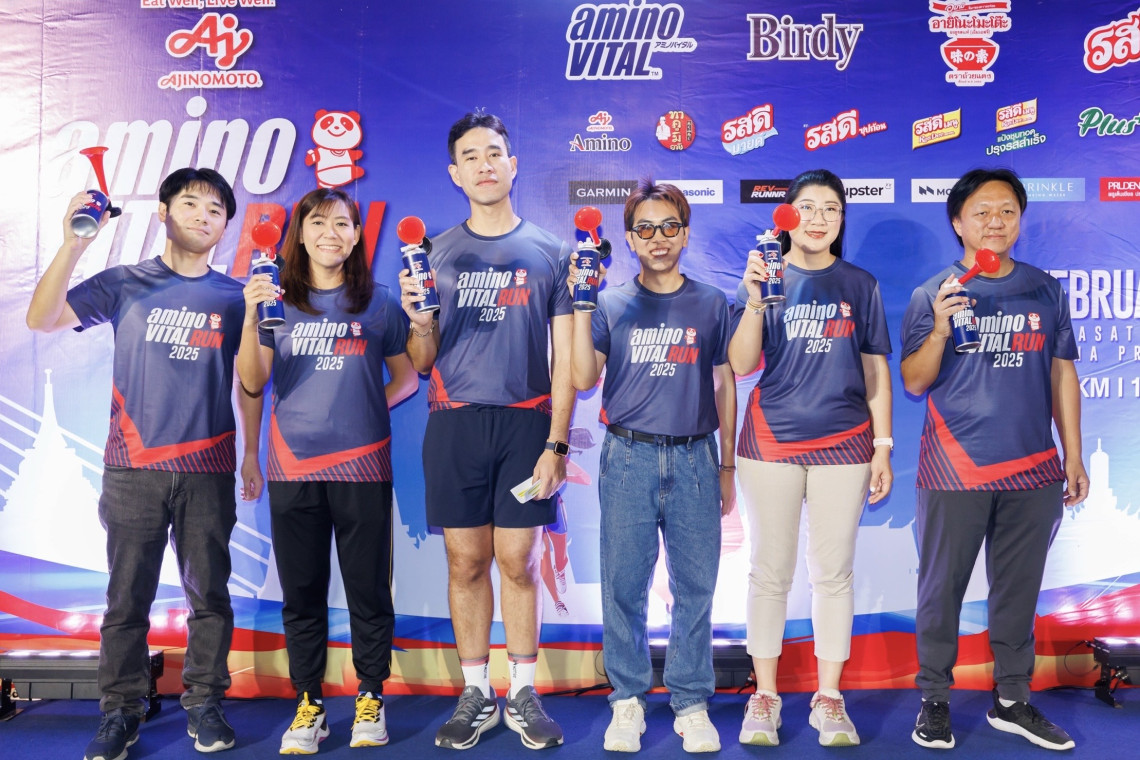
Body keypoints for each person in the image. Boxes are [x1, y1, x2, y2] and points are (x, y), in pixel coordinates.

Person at [26, 168, 264, 760]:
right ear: (163, 212)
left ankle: (205, 703)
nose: (204, 216)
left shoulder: (235, 297)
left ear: (225, 227)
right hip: (132, 467)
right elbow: (42, 318)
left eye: (216, 210)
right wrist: (74, 242)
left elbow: (252, 382)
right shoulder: (125, 282)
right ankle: (121, 711)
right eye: (191, 203)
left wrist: (250, 454)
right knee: (126, 598)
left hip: (208, 467)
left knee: (210, 596)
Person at [399, 110, 574, 750]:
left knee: (517, 562)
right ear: (455, 173)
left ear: (513, 164)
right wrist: (420, 321)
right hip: (454, 424)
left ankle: (524, 692)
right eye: (470, 156)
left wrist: (557, 443)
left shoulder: (553, 252)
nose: (484, 165)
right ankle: (476, 693)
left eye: (494, 152)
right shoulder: (431, 255)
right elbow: (421, 363)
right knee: (466, 561)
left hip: (527, 425)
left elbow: (566, 363)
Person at [901, 168, 1088, 751]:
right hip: (954, 469)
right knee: (941, 590)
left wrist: (1074, 455)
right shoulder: (933, 292)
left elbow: (1062, 373)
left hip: (1034, 470)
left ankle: (1012, 701)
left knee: (1018, 591)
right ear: (958, 222)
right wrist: (939, 328)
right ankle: (934, 700)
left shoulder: (1045, 289)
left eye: (1007, 210)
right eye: (981, 212)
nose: (995, 222)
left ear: (1020, 220)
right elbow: (913, 381)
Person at [236, 188, 417, 754]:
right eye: (318, 222)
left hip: (363, 467)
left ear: (357, 236)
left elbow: (408, 378)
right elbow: (252, 381)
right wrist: (250, 315)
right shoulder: (275, 299)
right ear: (300, 234)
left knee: (368, 590)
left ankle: (370, 697)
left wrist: (362, 406)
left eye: (342, 223)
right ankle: (309, 703)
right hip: (292, 468)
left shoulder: (379, 303)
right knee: (302, 592)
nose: (330, 233)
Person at [727, 169, 892, 748]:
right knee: (769, 571)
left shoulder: (860, 283)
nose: (819, 218)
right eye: (807, 207)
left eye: (831, 208)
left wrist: (883, 446)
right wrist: (753, 300)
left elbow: (875, 369)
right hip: (771, 443)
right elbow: (741, 364)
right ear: (787, 217)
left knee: (833, 573)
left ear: (842, 220)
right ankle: (766, 697)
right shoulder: (766, 276)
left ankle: (829, 698)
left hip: (845, 445)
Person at [570, 179, 736, 754]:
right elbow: (583, 378)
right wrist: (581, 304)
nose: (658, 237)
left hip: (695, 457)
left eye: (669, 226)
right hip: (628, 456)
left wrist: (728, 465)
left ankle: (690, 701)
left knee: (697, 586)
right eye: (645, 228)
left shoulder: (712, 302)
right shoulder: (611, 303)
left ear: (685, 234)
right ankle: (627, 699)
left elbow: (725, 382)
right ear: (630, 239)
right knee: (623, 585)